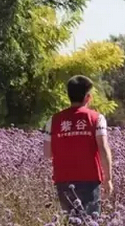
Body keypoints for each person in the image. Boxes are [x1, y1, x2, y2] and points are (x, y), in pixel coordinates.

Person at [43, 75, 113, 216]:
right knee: (89, 224)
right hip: (90, 180)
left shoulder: (53, 120)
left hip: (62, 179)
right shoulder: (97, 119)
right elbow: (103, 148)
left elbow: (47, 153)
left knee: (70, 225)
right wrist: (108, 178)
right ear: (88, 97)